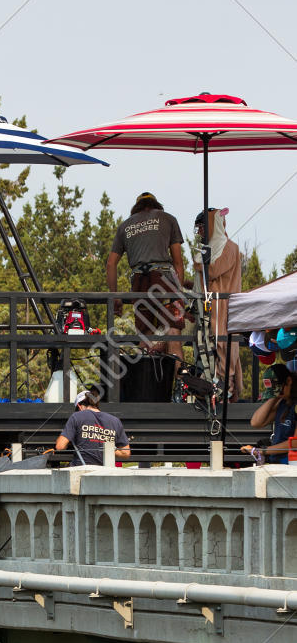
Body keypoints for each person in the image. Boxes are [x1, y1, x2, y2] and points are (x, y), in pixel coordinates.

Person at [106, 192, 188, 359]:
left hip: (140, 283)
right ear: (156, 205)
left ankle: (143, 382)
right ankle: (180, 382)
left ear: (136, 208)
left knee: (145, 335)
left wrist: (115, 297)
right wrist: (178, 293)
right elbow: (178, 261)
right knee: (173, 331)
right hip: (164, 281)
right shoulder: (168, 219)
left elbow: (110, 264)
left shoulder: (125, 226)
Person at [194, 206, 244, 401]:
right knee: (206, 345)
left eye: (202, 227)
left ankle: (226, 387)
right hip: (209, 306)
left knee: (223, 345)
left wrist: (201, 262)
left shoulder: (230, 247)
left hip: (223, 307)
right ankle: (210, 384)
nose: (199, 232)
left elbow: (213, 271)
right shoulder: (210, 248)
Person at [55, 388, 130, 466]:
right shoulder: (115, 421)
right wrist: (107, 450)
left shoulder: (76, 416)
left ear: (79, 406)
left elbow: (60, 446)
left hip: (81, 469)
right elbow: (126, 453)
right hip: (105, 471)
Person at [243, 366, 297, 464]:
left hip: (292, 464)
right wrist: (273, 397)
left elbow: (295, 443)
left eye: (279, 390)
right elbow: (256, 422)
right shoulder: (282, 403)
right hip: (278, 462)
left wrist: (262, 451)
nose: (278, 394)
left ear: (289, 381)